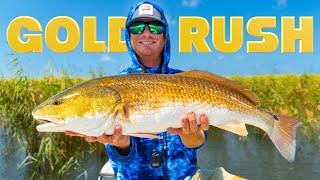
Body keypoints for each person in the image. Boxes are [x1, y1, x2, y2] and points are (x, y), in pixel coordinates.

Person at [67, 1, 209, 179]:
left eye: (156, 28)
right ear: (128, 37)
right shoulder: (110, 88)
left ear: (165, 36)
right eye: (138, 27)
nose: (147, 33)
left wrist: (191, 133)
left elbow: (197, 142)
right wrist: (121, 143)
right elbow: (121, 159)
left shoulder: (188, 82)